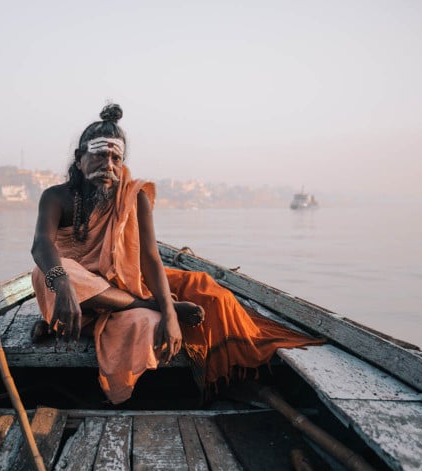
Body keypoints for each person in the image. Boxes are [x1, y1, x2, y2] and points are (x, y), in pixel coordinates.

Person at [31, 103, 321, 404]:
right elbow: (41, 244)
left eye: (116, 158)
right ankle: (150, 303)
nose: (109, 164)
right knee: (46, 272)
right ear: (79, 160)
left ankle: (156, 307)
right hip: (76, 296)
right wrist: (62, 282)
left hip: (122, 286)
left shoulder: (134, 196)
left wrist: (169, 316)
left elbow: (150, 259)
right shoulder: (56, 197)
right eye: (99, 155)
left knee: (206, 293)